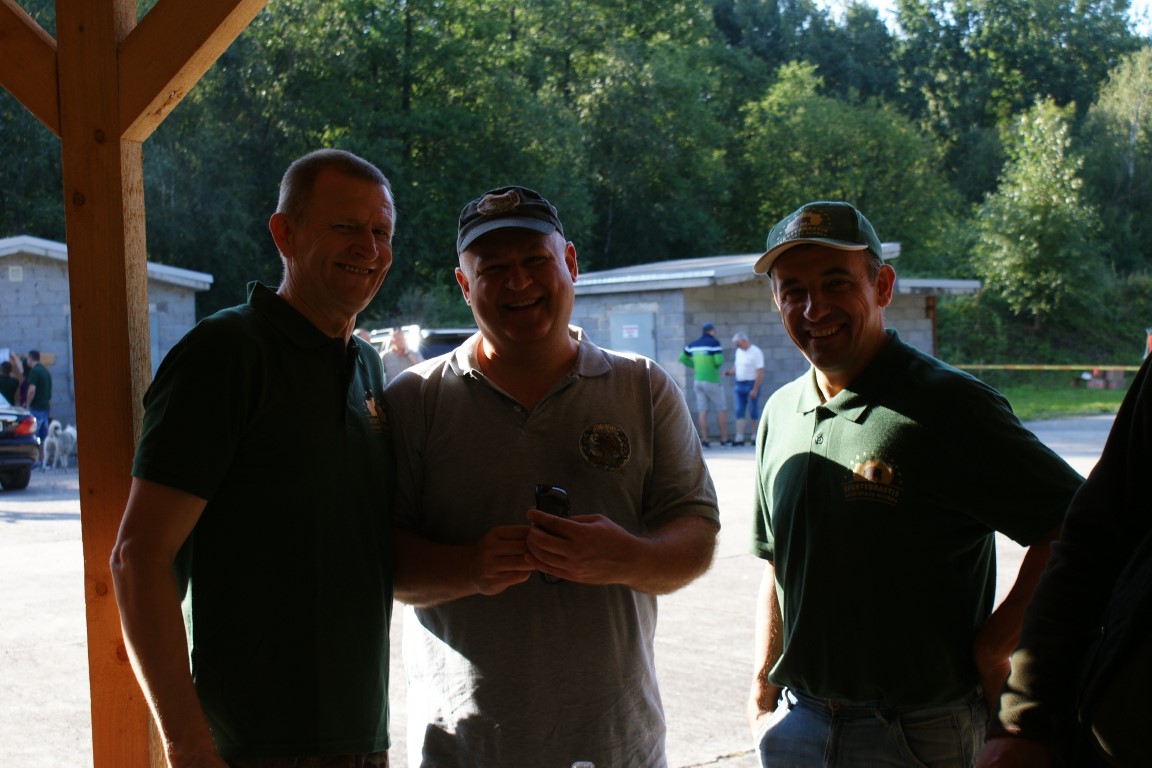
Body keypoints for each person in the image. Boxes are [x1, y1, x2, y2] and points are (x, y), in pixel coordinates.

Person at [383, 185, 720, 767]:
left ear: (569, 262)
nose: (518, 282)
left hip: (613, 746)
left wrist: (627, 557)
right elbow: (377, 561)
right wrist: (469, 567)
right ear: (464, 285)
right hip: (462, 749)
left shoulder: (642, 387)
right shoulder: (415, 399)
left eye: (535, 260)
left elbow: (697, 534)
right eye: (493, 268)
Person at [745, 201, 1083, 767]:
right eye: (792, 290)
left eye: (835, 283)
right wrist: (761, 689)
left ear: (882, 286)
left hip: (916, 732)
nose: (814, 308)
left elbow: (1077, 525)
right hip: (795, 722)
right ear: (776, 301)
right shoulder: (780, 412)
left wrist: (995, 647)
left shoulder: (948, 405)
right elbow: (778, 563)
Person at [109, 149, 396, 768]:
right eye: (346, 226)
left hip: (362, 739)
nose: (369, 248)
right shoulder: (226, 353)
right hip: (250, 747)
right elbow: (138, 558)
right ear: (284, 234)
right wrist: (187, 745)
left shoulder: (366, 368)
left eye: (381, 231)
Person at [977, 357, 1152, 768]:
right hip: (1110, 742)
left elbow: (1059, 519)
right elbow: (1090, 539)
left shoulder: (949, 401)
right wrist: (1023, 713)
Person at [679, 322, 731, 447]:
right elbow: (718, 361)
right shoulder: (714, 343)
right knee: (721, 409)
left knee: (702, 410)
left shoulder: (693, 344)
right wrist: (713, 366)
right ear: (711, 331)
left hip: (698, 381)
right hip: (712, 380)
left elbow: (682, 358)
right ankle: (724, 439)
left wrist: (694, 365)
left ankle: (704, 439)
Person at [724, 332, 764, 446]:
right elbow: (737, 366)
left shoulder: (756, 352)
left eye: (738, 344)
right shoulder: (739, 351)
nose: (737, 346)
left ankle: (755, 435)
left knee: (753, 410)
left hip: (751, 384)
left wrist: (755, 389)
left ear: (744, 341)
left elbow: (760, 371)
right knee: (739, 410)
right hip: (739, 384)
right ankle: (739, 436)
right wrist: (730, 372)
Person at [23, 349, 51, 466]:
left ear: (30, 359)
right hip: (45, 407)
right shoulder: (45, 371)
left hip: (36, 408)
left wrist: (27, 404)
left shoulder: (34, 371)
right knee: (43, 436)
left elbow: (32, 390)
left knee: (34, 435)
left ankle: (35, 461)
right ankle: (43, 460)